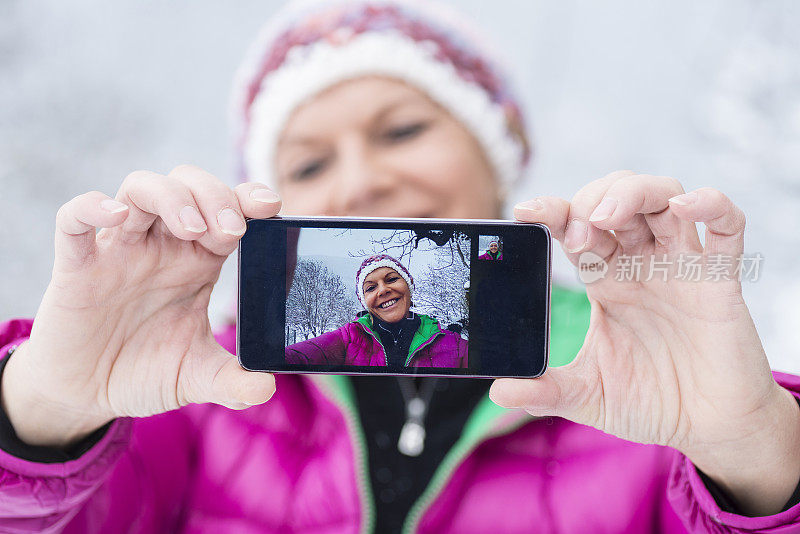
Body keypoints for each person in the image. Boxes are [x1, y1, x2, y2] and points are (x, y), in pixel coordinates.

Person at [1, 1, 800, 532]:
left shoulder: (643, 393)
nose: (360, 180)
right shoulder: (199, 391)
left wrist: (756, 455)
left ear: (500, 160)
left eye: (401, 131)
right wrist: (45, 411)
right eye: (310, 165)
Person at [286, 254, 468, 368]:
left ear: (409, 285)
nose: (382, 290)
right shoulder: (347, 338)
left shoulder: (456, 345)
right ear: (364, 301)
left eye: (391, 279)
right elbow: (294, 356)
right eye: (371, 288)